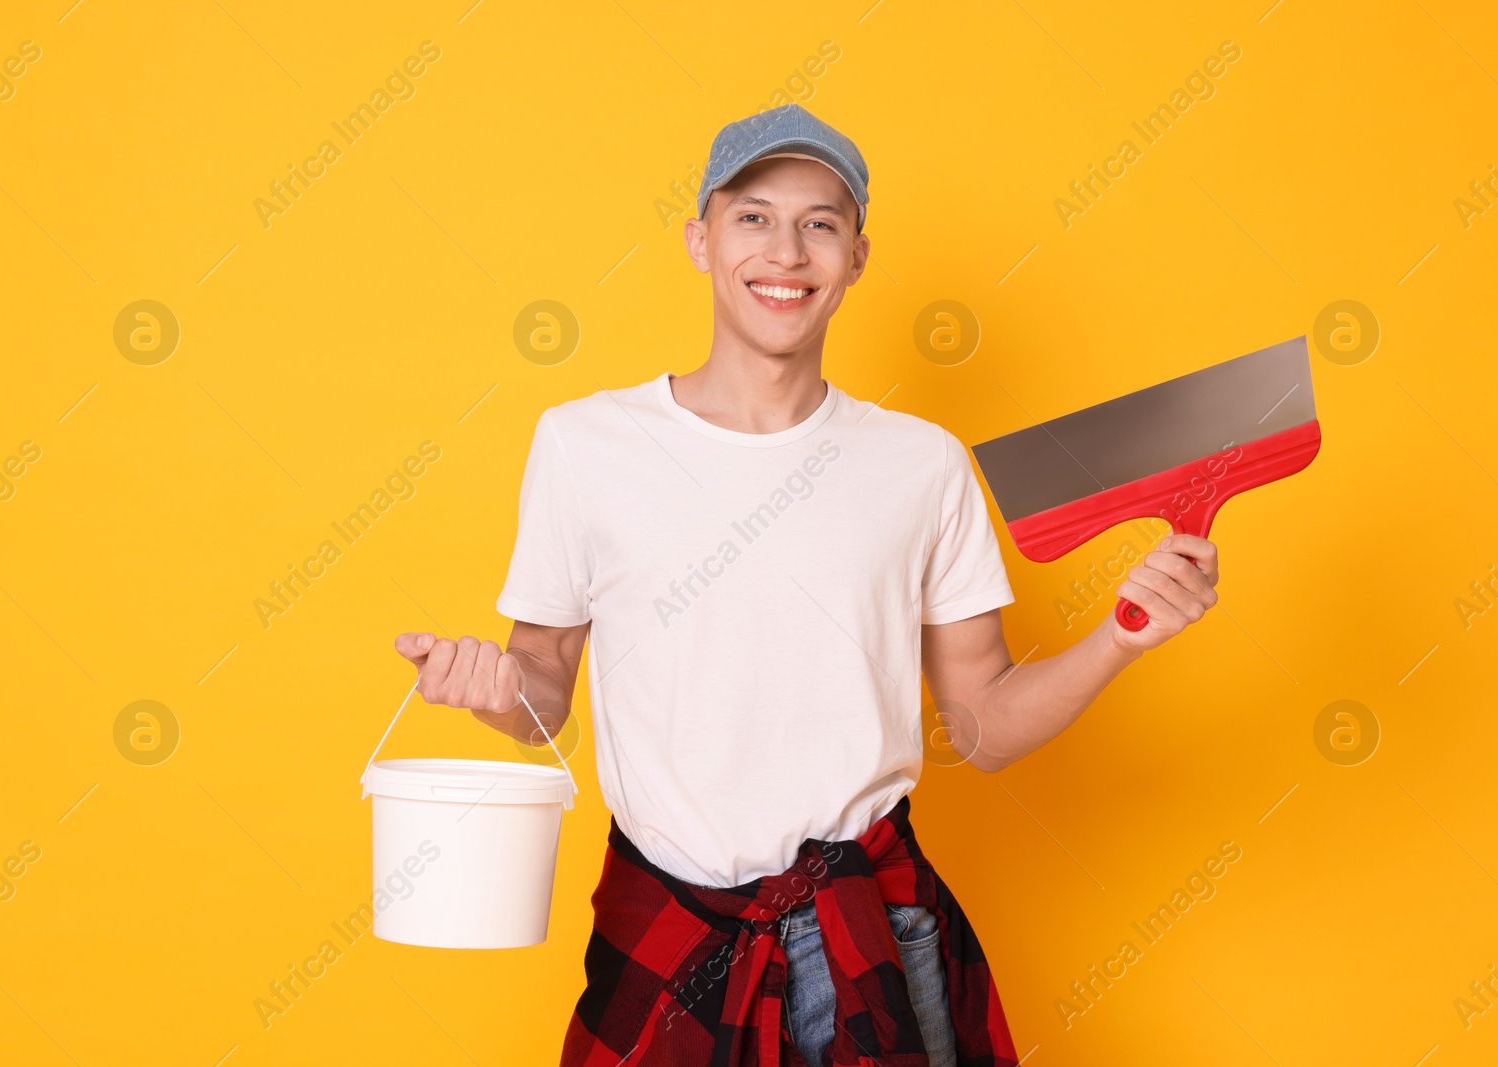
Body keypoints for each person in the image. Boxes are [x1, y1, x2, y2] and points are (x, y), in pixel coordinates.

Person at [394, 103, 1219, 1066]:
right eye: (753, 216)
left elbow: (983, 724)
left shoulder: (923, 464)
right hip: (664, 919)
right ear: (700, 240)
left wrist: (1120, 634)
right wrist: (496, 691)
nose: (785, 251)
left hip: (867, 925)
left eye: (819, 223)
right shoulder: (586, 444)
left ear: (857, 256)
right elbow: (541, 684)